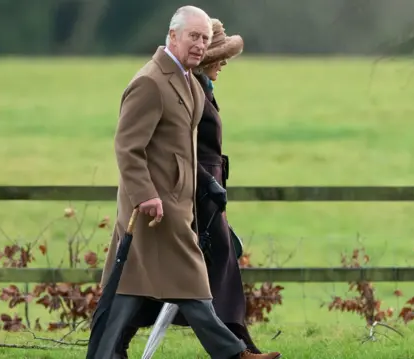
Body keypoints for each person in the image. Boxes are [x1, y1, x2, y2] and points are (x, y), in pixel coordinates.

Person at [88, 5, 281, 359]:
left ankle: (106, 354)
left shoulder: (187, 81)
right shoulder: (149, 81)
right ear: (173, 36)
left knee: (133, 291)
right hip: (153, 211)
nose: (200, 44)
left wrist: (203, 184)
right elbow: (128, 147)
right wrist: (145, 195)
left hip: (177, 205)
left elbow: (185, 151)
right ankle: (235, 354)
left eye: (205, 38)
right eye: (193, 36)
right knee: (189, 285)